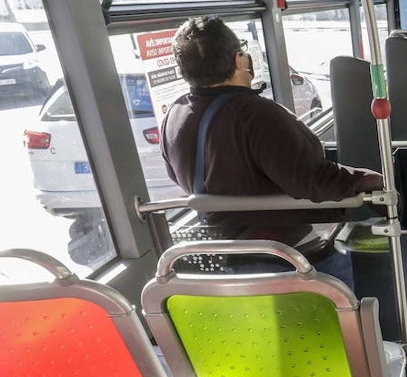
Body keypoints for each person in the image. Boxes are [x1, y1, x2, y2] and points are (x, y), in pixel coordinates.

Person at [161, 16, 384, 279]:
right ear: (239, 59)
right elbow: (309, 180)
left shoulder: (174, 116)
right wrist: (369, 181)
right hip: (286, 256)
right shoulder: (258, 114)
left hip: (223, 256)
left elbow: (177, 176)